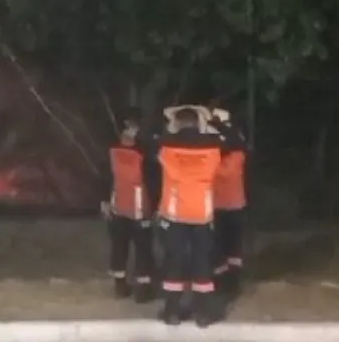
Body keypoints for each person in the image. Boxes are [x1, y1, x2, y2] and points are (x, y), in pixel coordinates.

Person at [156, 107, 223, 327]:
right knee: (201, 261)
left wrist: (168, 122)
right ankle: (202, 314)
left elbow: (146, 137)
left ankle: (172, 312)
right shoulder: (213, 147)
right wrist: (215, 122)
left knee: (175, 260)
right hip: (202, 214)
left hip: (174, 213)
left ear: (177, 123)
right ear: (198, 123)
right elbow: (234, 141)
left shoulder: (166, 145)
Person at [99, 107, 160, 303]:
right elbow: (154, 180)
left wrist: (104, 200)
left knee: (119, 247)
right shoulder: (145, 152)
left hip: (119, 205)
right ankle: (143, 288)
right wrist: (158, 205)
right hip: (139, 207)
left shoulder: (111, 149)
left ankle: (121, 285)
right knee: (142, 248)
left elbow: (104, 176)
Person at [209, 112, 248, 300]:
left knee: (231, 247)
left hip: (229, 205)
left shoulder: (235, 152)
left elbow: (223, 173)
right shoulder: (235, 147)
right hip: (223, 205)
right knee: (221, 246)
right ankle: (224, 280)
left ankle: (230, 281)